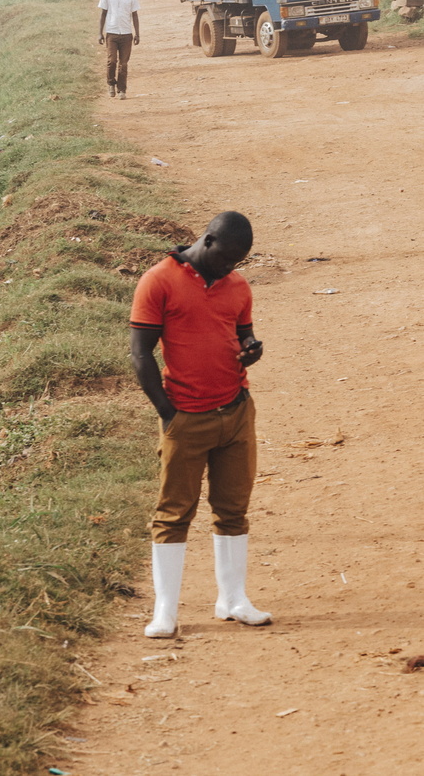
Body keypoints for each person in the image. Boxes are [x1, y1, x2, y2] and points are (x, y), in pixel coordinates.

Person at [129, 211, 271, 638]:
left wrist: (250, 349)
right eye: (226, 259)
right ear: (207, 241)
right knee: (173, 514)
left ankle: (232, 600)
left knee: (233, 511)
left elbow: (242, 331)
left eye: (238, 262)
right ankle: (165, 612)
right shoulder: (159, 281)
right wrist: (168, 414)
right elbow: (140, 354)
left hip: (236, 412)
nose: (231, 268)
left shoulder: (237, 285)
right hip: (186, 417)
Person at [98, 0, 140, 100]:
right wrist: (100, 33)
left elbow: (135, 15)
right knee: (112, 61)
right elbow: (103, 14)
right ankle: (111, 83)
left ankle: (122, 90)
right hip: (111, 33)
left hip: (126, 34)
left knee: (124, 63)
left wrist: (137, 34)